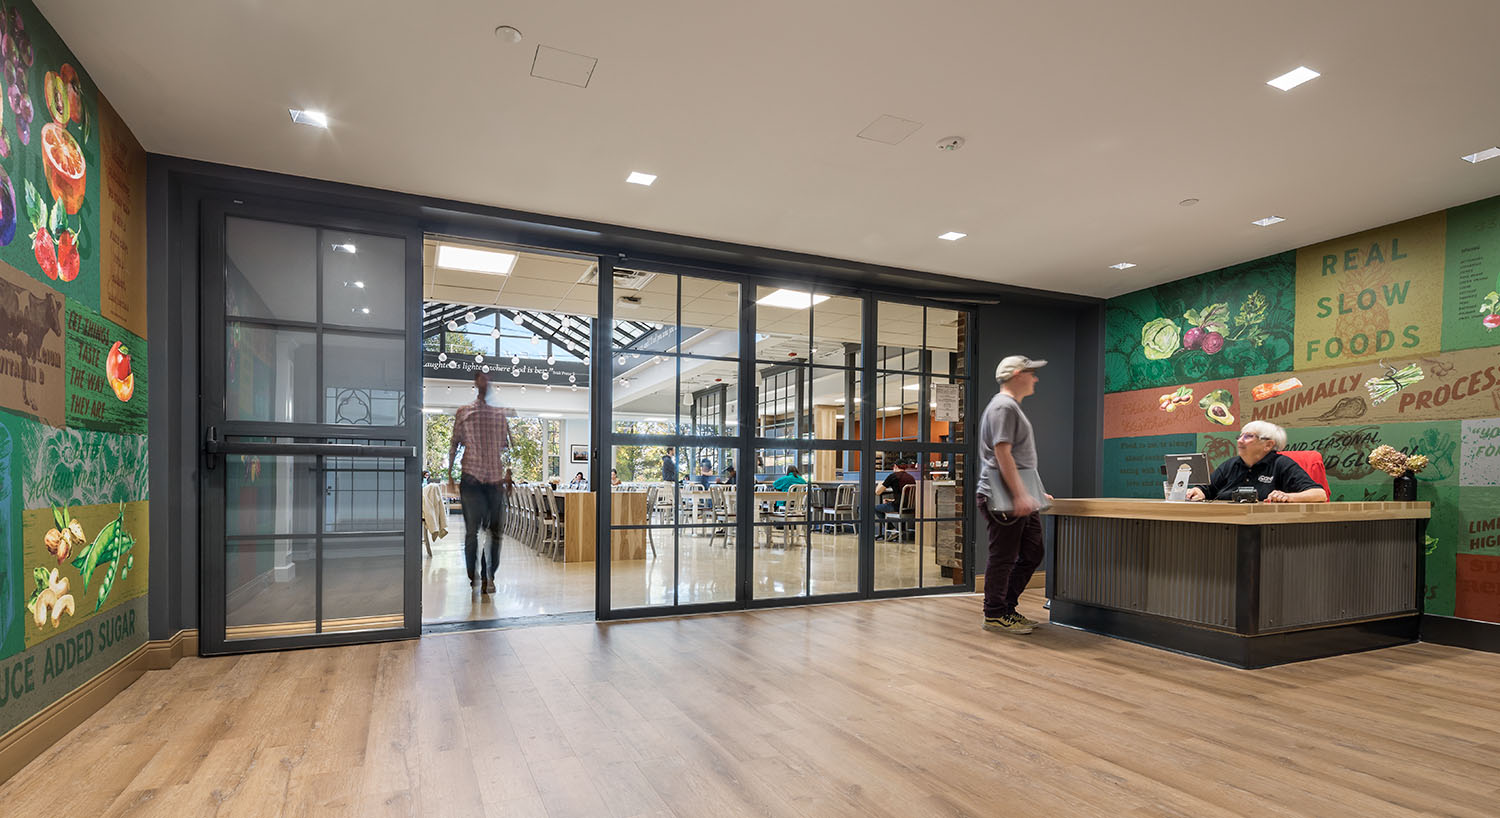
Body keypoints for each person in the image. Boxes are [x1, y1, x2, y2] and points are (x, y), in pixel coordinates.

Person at [977, 355, 1051, 635]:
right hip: (1003, 496)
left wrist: (1034, 492)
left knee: (1033, 552)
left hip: (1017, 495)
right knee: (1003, 556)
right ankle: (995, 614)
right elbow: (1002, 452)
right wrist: (1020, 495)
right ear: (1018, 374)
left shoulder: (1010, 407)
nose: (1036, 379)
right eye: (1032, 373)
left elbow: (1021, 460)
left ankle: (1006, 608)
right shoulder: (1003, 407)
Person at [447, 372, 514, 596]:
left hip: (494, 481)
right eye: (481, 378)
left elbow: (507, 448)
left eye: (488, 379)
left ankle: (488, 575)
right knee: (472, 532)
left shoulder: (499, 415)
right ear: (476, 383)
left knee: (495, 532)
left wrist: (508, 474)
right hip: (472, 479)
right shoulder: (464, 412)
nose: (485, 383)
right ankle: (473, 575)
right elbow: (454, 444)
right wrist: (450, 474)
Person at [1186, 421, 1328, 503]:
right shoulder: (1232, 464)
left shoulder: (1281, 464)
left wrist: (1288, 497)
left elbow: (1319, 494)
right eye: (1240, 436)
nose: (1240, 441)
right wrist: (1197, 491)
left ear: (1268, 445)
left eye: (1248, 436)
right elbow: (1206, 489)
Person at [873, 459, 916, 539]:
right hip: (910, 508)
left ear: (895, 466)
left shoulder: (893, 476)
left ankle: (892, 531)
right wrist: (891, 500)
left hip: (898, 507)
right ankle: (901, 531)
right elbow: (904, 495)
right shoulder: (911, 477)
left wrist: (879, 484)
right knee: (888, 504)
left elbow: (878, 492)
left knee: (875, 508)